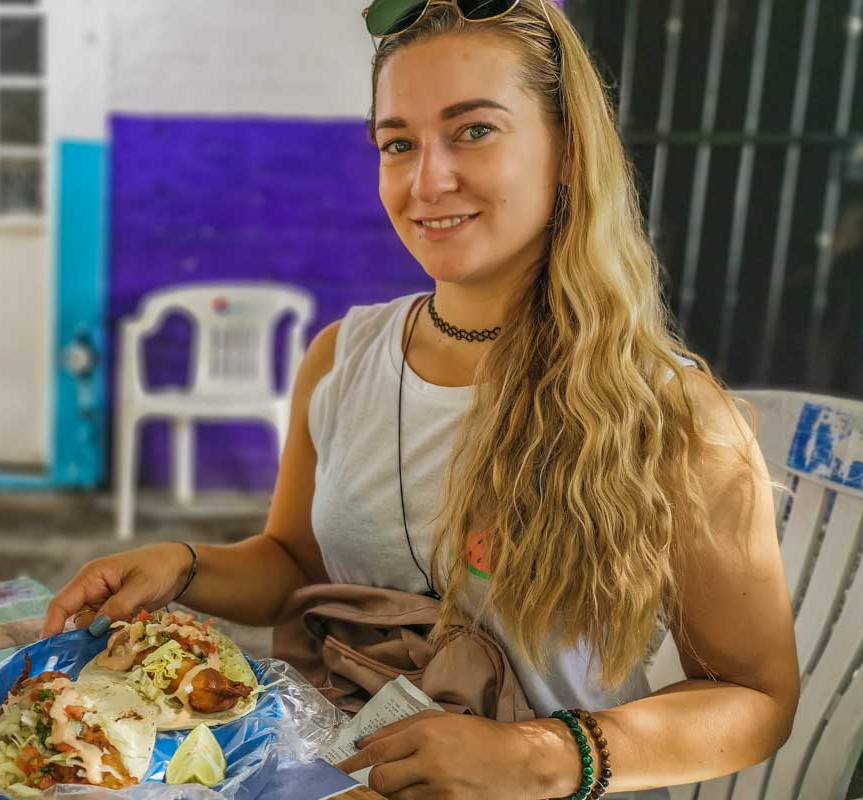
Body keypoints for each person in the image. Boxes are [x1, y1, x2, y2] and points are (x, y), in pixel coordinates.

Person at [41, 1, 799, 797]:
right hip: (327, 770)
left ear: (568, 149)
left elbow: (755, 698)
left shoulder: (672, 413)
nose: (428, 180)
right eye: (397, 143)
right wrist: (183, 564)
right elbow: (296, 563)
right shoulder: (343, 355)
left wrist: (542, 756)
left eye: (474, 130)